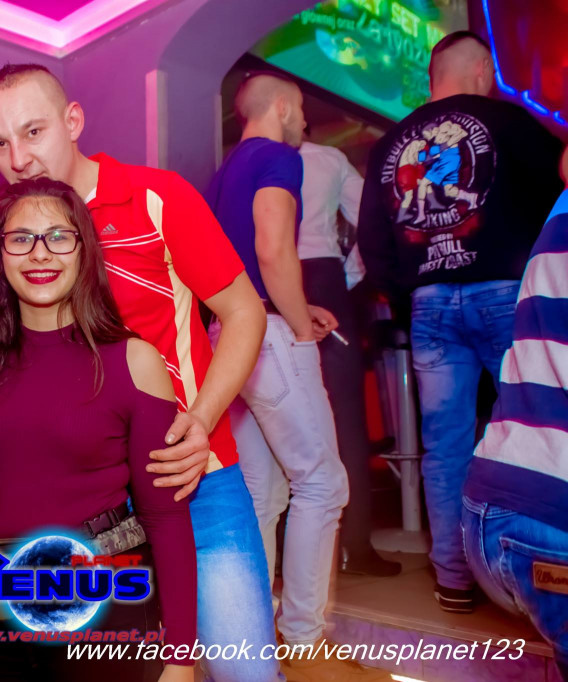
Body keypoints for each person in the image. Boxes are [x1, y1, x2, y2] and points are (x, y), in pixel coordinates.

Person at [0, 64, 279, 682]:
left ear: (73, 121)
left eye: (33, 132)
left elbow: (244, 311)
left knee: (243, 672)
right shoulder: (11, 233)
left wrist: (201, 420)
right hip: (87, 508)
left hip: (190, 481)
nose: (18, 158)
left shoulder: (154, 197)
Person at [0, 178, 196, 682]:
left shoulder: (135, 362)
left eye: (59, 237)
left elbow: (167, 519)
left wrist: (181, 659)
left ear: (84, 250)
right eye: (21, 238)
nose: (39, 253)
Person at [358, 30, 565, 612]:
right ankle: (542, 571)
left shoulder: (389, 144)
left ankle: (454, 577)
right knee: (536, 425)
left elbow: (374, 242)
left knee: (444, 448)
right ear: (479, 71)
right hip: (503, 292)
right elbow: (557, 193)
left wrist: (411, 294)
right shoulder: (509, 122)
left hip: (429, 304)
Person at [205, 73, 383, 682]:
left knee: (263, 494)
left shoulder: (223, 172)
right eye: (302, 109)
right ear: (281, 107)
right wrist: (299, 326)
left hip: (228, 336)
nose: (305, 122)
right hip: (269, 337)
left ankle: (251, 636)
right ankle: (305, 642)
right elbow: (273, 249)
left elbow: (234, 268)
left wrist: (298, 307)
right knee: (323, 484)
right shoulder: (280, 157)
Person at [463, 146, 568, 679]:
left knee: (442, 442)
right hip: (552, 519)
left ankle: (449, 582)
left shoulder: (559, 211)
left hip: (494, 504)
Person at [297, 140, 400, 577]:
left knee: (285, 418)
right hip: (323, 278)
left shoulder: (243, 161)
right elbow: (372, 220)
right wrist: (352, 273)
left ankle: (289, 550)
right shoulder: (327, 157)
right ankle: (356, 547)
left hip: (268, 280)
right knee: (346, 417)